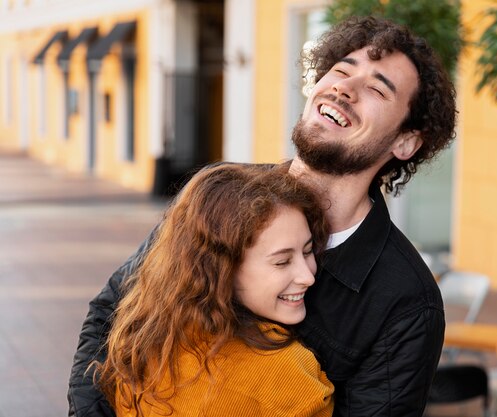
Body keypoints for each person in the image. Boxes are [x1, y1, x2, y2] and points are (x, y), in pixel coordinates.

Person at [68, 15, 456, 417]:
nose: (343, 87)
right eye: (340, 70)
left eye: (377, 88)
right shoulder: (217, 197)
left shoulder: (406, 302)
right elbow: (110, 313)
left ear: (406, 141)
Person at [95, 163, 334, 416]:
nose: (308, 276)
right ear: (223, 270)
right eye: (282, 261)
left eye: (308, 251)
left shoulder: (143, 339)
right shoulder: (286, 374)